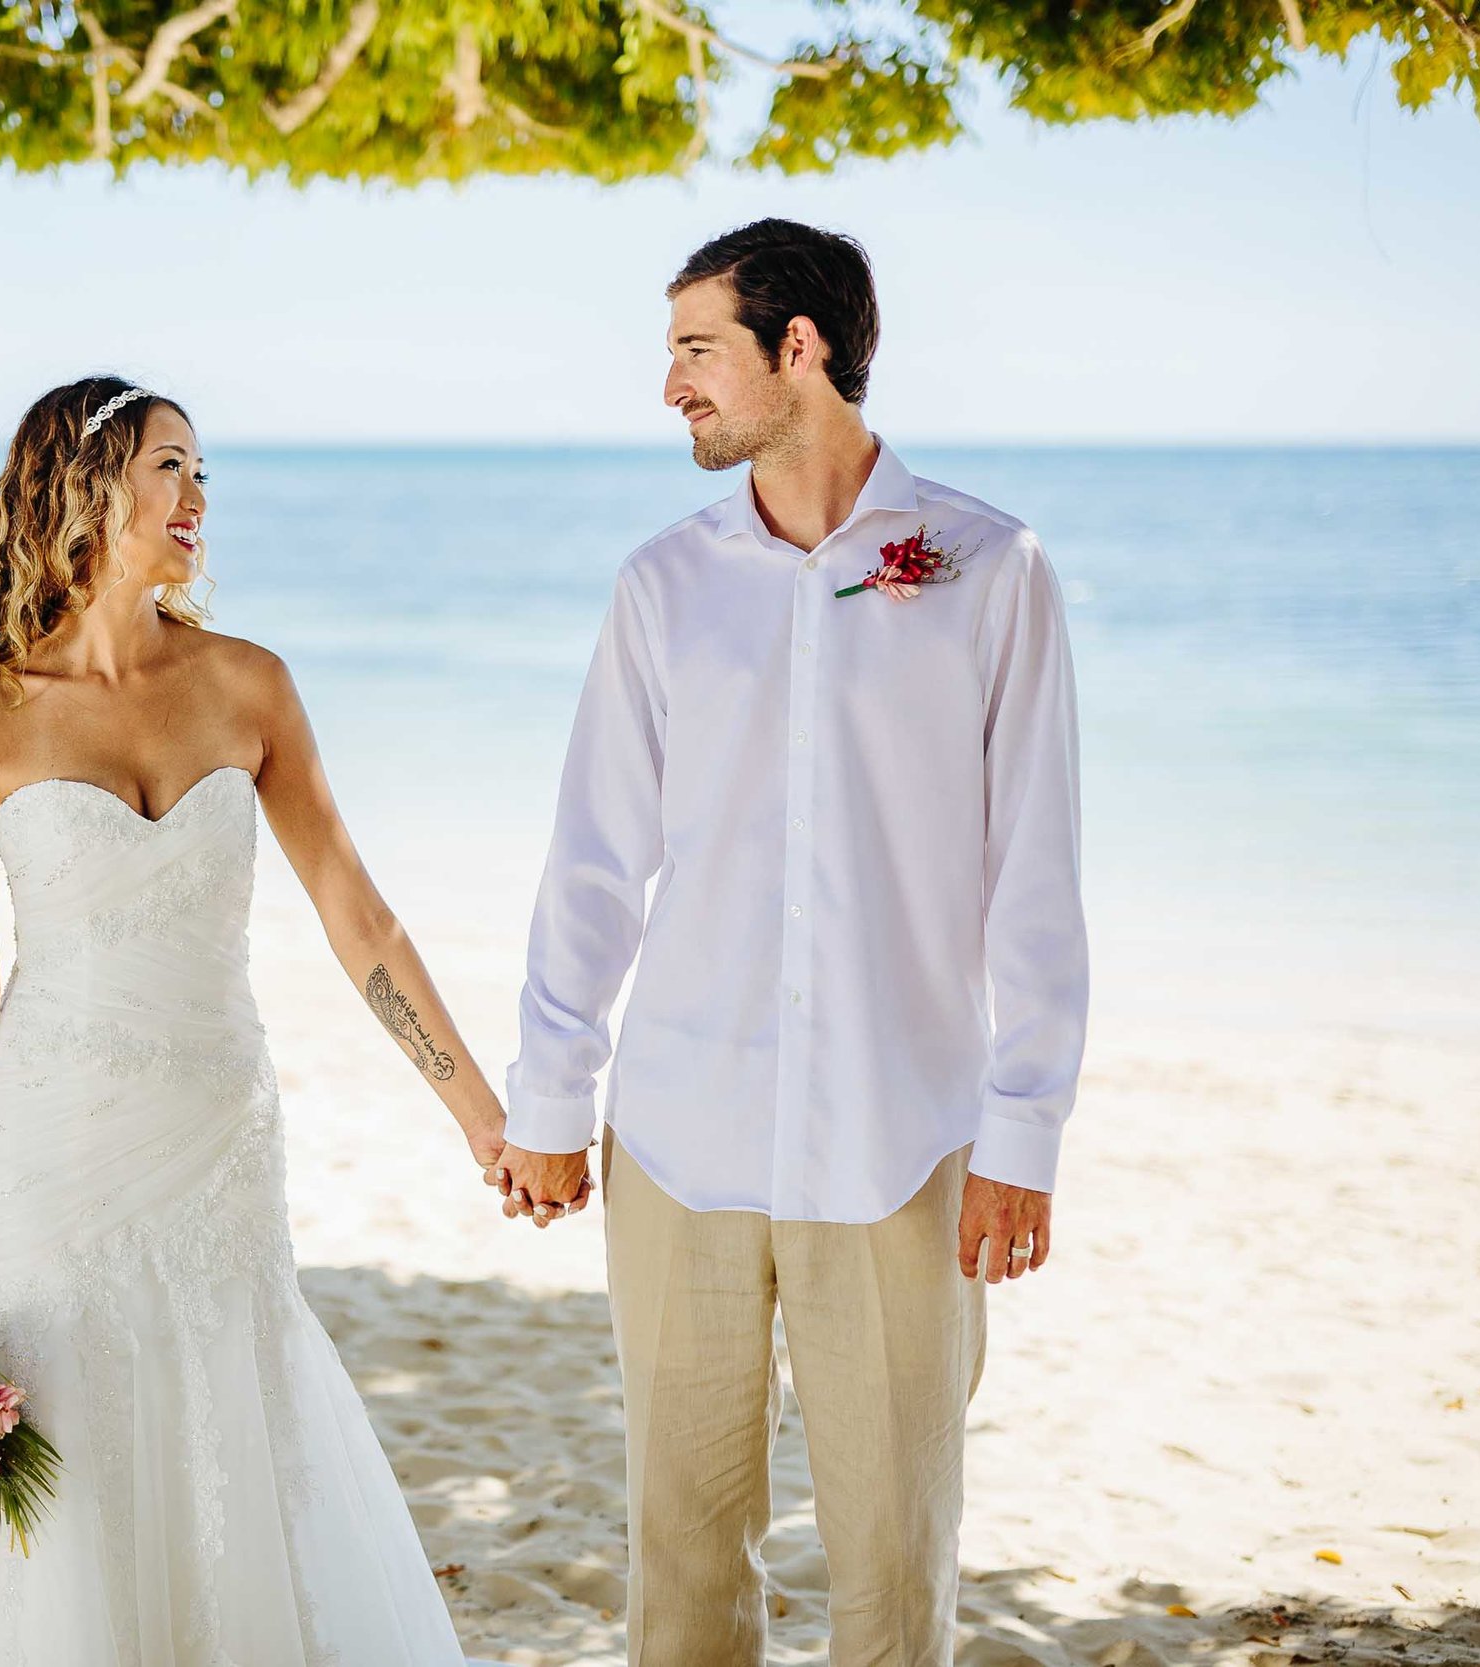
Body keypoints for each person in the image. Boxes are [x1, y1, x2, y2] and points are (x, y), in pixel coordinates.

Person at [0, 375, 548, 1667]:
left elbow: (361, 919)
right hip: (53, 1139)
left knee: (228, 1406)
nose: (197, 500)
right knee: (67, 1413)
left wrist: (485, 1119)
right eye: (169, 468)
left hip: (217, 1124)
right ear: (85, 490)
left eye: (202, 474)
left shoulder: (250, 686)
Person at [497, 218, 1088, 1667]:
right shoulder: (662, 587)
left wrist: (1026, 1129)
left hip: (903, 1143)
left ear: (799, 349)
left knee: (894, 1572)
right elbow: (594, 860)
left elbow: (1037, 875)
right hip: (681, 1141)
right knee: (683, 1564)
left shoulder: (988, 569)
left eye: (698, 350)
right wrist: (551, 1098)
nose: (671, 388)